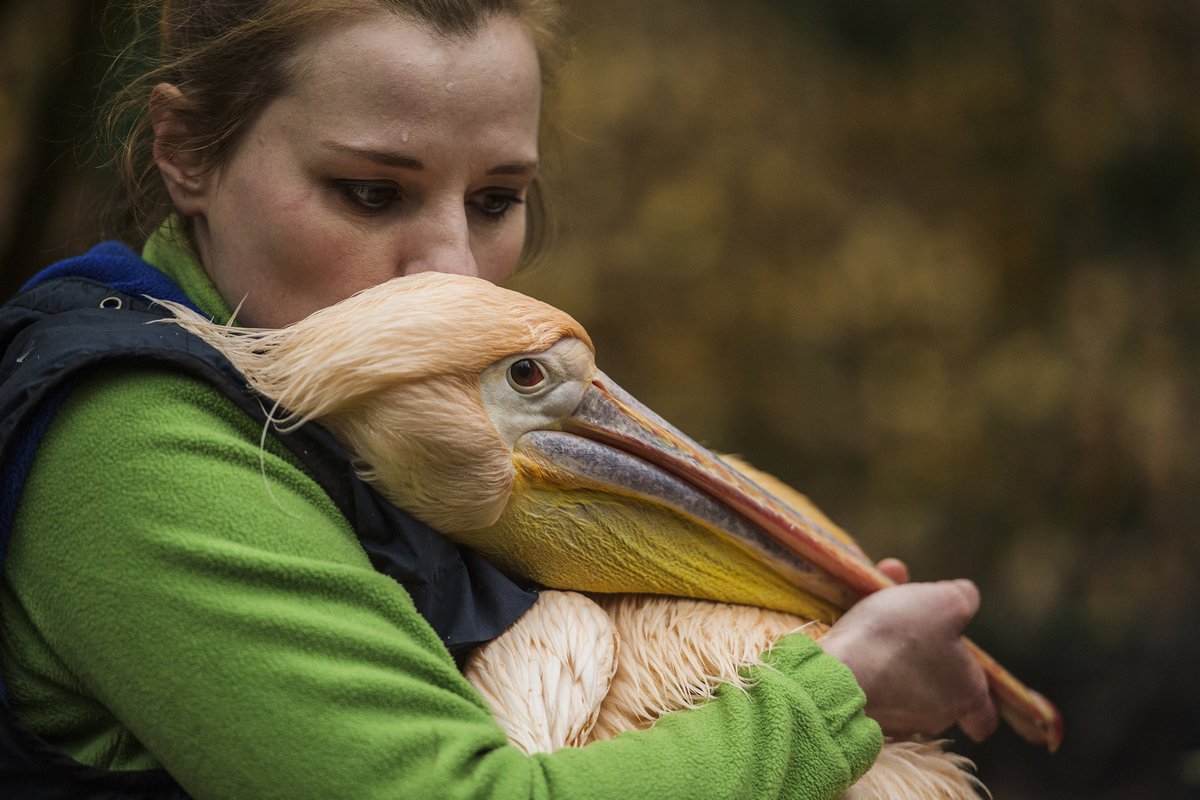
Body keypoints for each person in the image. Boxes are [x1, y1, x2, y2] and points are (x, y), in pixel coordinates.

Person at [0, 1, 996, 797]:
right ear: (185, 152)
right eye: (371, 191)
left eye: (494, 201)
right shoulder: (138, 441)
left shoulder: (359, 421)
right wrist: (839, 690)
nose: (457, 266)